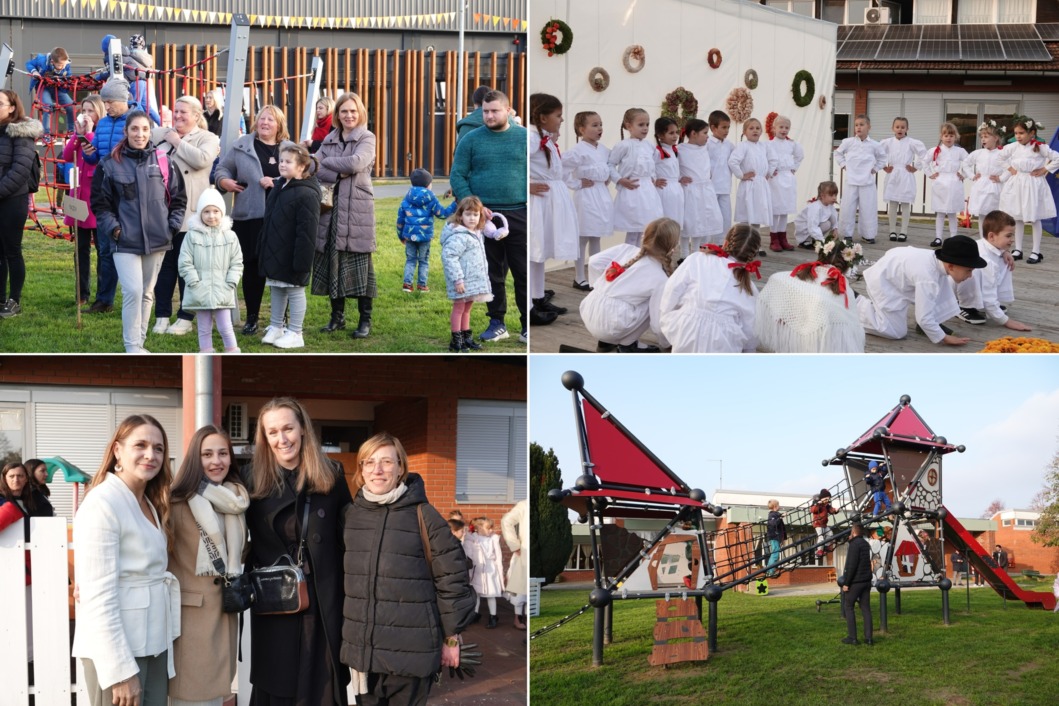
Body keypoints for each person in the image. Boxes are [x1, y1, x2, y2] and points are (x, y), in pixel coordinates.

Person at [340, 432, 476, 705]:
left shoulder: (424, 515)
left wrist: (451, 638)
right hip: (363, 656)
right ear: (361, 470)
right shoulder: (350, 516)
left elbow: (453, 579)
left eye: (387, 462)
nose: (377, 470)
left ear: (401, 467)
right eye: (369, 462)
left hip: (411, 654)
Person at [242, 397, 352, 704]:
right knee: (277, 688)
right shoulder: (251, 478)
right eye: (272, 432)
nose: (282, 439)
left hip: (322, 602)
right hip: (276, 604)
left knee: (321, 688)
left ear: (303, 428)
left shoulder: (332, 473)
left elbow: (351, 536)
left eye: (288, 428)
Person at [71, 414, 177, 706]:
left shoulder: (148, 502)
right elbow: (97, 596)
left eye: (158, 448)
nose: (150, 454)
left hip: (154, 644)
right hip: (118, 652)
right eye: (140, 445)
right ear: (117, 450)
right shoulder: (102, 503)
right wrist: (119, 672)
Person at [91, 110, 186, 353]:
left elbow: (178, 199)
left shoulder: (164, 161)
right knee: (133, 290)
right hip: (124, 240)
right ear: (126, 132)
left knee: (146, 293)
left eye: (145, 129)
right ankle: (132, 345)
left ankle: (140, 343)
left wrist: (171, 227)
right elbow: (100, 204)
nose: (140, 134)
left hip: (157, 238)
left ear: (150, 132)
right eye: (134, 129)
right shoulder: (110, 164)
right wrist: (114, 229)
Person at [168, 425, 248, 706]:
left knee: (217, 696)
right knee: (188, 698)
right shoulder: (176, 501)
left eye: (223, 453)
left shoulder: (236, 501)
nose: (217, 461)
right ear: (194, 459)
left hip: (224, 612)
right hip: (190, 619)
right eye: (207, 454)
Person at [450, 89, 530, 341]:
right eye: (485, 111)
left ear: (508, 110)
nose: (489, 115)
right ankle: (497, 323)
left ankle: (528, 326)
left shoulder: (525, 138)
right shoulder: (471, 139)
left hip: (519, 212)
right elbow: (457, 175)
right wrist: (473, 205)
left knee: (523, 272)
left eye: (494, 110)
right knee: (491, 272)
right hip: (483, 218)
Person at [215, 104, 296, 334]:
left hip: (281, 218)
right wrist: (225, 183)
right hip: (248, 218)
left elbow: (303, 174)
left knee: (279, 268)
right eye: (262, 118)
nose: (265, 123)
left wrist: (278, 180)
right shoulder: (241, 146)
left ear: (279, 124)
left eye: (271, 119)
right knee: (251, 268)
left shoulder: (289, 149)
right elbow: (222, 170)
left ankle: (281, 319)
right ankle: (252, 317)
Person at [150, 95, 221, 336]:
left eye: (184, 112)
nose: (178, 116)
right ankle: (161, 315)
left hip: (189, 214)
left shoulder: (207, 138)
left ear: (197, 115)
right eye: (176, 111)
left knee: (187, 268)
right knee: (163, 267)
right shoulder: (160, 134)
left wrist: (177, 142)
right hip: (160, 212)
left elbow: (202, 160)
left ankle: (185, 317)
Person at [313, 92, 378, 339]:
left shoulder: (367, 137)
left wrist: (329, 163)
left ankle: (365, 320)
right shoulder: (330, 138)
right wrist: (334, 169)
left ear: (359, 112)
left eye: (353, 111)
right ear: (337, 114)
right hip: (330, 209)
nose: (348, 115)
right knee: (332, 260)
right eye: (344, 111)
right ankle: (337, 317)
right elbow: (312, 166)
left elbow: (355, 164)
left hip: (357, 210)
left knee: (361, 266)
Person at [856, 234, 987, 346]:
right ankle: (856, 304)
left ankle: (930, 326)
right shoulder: (928, 278)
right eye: (969, 270)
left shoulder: (937, 263)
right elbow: (923, 317)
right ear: (951, 266)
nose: (970, 276)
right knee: (896, 331)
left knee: (942, 287)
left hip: (897, 273)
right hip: (885, 283)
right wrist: (944, 338)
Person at [755, 232, 866, 353]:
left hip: (793, 344)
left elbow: (777, 279)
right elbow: (852, 329)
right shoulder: (845, 290)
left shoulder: (794, 277)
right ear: (847, 265)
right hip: (821, 346)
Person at [580, 216, 678, 352]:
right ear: (672, 246)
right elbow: (657, 324)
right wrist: (666, 345)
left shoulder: (625, 249)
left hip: (589, 311)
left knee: (622, 301)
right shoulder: (660, 278)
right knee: (654, 304)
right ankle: (627, 345)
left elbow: (594, 262)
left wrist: (600, 287)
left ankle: (604, 343)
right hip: (613, 324)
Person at [659, 224, 762, 353]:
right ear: (752, 255)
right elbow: (750, 327)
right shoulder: (749, 288)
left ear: (725, 243)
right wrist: (749, 350)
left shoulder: (697, 259)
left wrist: (665, 324)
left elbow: (671, 291)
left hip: (687, 327)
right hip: (724, 340)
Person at [259, 143, 322, 350]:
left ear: (302, 167)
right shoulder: (281, 186)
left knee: (294, 291)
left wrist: (302, 261)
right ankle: (277, 326)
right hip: (277, 250)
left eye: (288, 162)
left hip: (293, 253)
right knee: (277, 287)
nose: (282, 165)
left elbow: (307, 231)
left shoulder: (307, 194)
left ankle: (296, 332)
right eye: (281, 161)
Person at [82, 79, 136, 316]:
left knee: (128, 248)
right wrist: (89, 155)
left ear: (123, 101)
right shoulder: (102, 124)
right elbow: (98, 159)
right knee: (105, 248)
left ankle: (135, 296)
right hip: (104, 188)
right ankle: (104, 299)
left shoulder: (137, 121)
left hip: (127, 192)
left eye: (110, 101)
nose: (107, 105)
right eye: (105, 101)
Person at [0, 461, 55, 664]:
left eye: (21, 476)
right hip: (9, 565)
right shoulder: (2, 500)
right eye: (12, 476)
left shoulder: (34, 498)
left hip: (36, 563)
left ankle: (31, 655)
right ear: (4, 478)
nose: (17, 480)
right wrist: (10, 512)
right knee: (10, 613)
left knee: (34, 612)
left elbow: (48, 522)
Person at [529, 92, 577, 320]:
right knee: (534, 250)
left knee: (541, 251)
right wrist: (526, 186)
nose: (561, 120)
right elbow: (515, 165)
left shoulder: (544, 138)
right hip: (540, 203)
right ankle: (530, 305)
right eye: (558, 115)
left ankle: (538, 297)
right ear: (542, 117)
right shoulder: (530, 138)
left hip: (551, 201)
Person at [178, 188, 244, 353]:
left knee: (225, 326)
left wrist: (231, 281)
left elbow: (237, 262)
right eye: (206, 211)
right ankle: (206, 353)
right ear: (200, 213)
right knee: (204, 328)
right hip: (200, 289)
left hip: (223, 289)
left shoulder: (230, 236)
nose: (211, 215)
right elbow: (185, 261)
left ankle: (232, 351)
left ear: (222, 213)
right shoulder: (192, 236)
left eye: (216, 211)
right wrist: (193, 281)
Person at [0, 90, 43, 319]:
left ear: (12, 108)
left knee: (12, 251)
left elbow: (20, 171)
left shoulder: (21, 134)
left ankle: (14, 299)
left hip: (12, 201)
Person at [997, 115, 1059, 264]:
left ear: (1031, 133)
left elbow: (1057, 157)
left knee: (1034, 217)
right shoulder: (1013, 147)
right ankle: (1018, 249)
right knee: (1017, 217)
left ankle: (1036, 251)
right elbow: (999, 157)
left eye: (1021, 133)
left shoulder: (1039, 147)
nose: (1018, 136)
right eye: (1016, 133)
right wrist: (1010, 168)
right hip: (1017, 183)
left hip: (1033, 185)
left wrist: (1045, 169)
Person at [954, 209, 1031, 331]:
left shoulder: (989, 245)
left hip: (974, 283)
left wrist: (1004, 252)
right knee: (974, 271)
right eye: (1008, 236)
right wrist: (1006, 321)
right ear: (991, 236)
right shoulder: (983, 258)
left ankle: (983, 304)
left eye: (1012, 235)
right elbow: (988, 294)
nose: (1012, 239)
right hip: (953, 290)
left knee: (1005, 262)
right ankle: (965, 306)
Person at [63, 95, 106, 306]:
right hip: (78, 196)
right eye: (84, 110)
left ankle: (102, 294)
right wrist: (76, 136)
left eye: (91, 111)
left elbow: (96, 156)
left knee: (101, 248)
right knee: (80, 249)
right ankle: (82, 293)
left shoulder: (101, 134)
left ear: (99, 112)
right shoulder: (78, 134)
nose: (86, 115)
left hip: (95, 198)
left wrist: (88, 133)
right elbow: (66, 154)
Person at [563, 111, 613, 290]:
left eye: (600, 124)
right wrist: (576, 183)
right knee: (582, 236)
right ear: (581, 129)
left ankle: (595, 275)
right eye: (594, 125)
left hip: (601, 195)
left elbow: (610, 167)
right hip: (586, 196)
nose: (599, 128)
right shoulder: (577, 151)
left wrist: (606, 178)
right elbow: (562, 170)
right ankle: (579, 276)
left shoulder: (605, 150)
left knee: (596, 235)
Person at [441, 195, 492, 352]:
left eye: (475, 215)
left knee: (467, 309)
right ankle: (456, 340)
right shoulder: (459, 236)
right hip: (461, 281)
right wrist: (458, 280)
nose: (472, 218)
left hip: (472, 281)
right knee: (459, 308)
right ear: (460, 215)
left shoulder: (476, 233)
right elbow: (449, 257)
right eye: (468, 214)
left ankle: (466, 337)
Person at [608, 107, 664, 249]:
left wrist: (653, 178)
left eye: (647, 124)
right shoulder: (623, 145)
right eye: (641, 125)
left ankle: (642, 257)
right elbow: (610, 164)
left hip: (648, 192)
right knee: (634, 229)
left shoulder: (650, 146)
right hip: (632, 190)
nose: (645, 128)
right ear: (628, 126)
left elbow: (654, 164)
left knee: (647, 229)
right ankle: (628, 259)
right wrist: (620, 179)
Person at [396, 167, 456, 294]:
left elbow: (400, 220)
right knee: (423, 261)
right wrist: (455, 204)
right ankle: (422, 285)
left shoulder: (407, 198)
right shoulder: (431, 199)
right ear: (429, 184)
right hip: (425, 237)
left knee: (410, 260)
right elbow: (443, 214)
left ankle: (407, 285)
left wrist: (401, 236)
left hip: (409, 236)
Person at [834, 114, 885, 245]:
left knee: (868, 208)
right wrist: (844, 165)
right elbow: (838, 153)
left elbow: (883, 159)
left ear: (869, 127)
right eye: (856, 125)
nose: (858, 127)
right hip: (851, 181)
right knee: (847, 207)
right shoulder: (848, 142)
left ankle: (868, 235)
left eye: (862, 124)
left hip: (867, 182)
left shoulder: (875, 145)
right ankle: (846, 234)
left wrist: (875, 169)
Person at [728, 117, 774, 253]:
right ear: (745, 132)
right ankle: (740, 244)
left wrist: (768, 173)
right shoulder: (743, 146)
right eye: (751, 128)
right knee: (746, 215)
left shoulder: (764, 146)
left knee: (757, 216)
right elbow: (733, 161)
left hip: (761, 185)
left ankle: (756, 245)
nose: (755, 130)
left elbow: (773, 159)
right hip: (749, 185)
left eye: (758, 128)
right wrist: (742, 175)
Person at [677, 118, 722, 256]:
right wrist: (679, 178)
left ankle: (696, 252)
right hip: (690, 190)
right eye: (704, 132)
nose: (708, 136)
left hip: (705, 190)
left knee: (701, 222)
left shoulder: (706, 148)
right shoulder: (680, 149)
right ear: (693, 133)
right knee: (688, 222)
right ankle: (684, 255)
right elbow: (673, 167)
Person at [879, 116, 926, 242]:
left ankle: (904, 231)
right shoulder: (888, 142)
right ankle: (892, 231)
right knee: (893, 203)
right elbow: (877, 153)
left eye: (903, 127)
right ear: (893, 128)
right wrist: (883, 166)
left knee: (905, 203)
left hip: (905, 174)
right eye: (897, 127)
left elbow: (924, 155)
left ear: (907, 128)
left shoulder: (911, 142)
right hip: (893, 173)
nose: (900, 129)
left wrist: (915, 167)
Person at [926, 122, 969, 248]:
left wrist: (964, 174)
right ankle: (938, 237)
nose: (948, 138)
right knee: (940, 211)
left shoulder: (960, 151)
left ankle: (953, 237)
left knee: (952, 212)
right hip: (940, 181)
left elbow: (969, 162)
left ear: (955, 137)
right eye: (946, 135)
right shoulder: (935, 151)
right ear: (941, 136)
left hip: (954, 182)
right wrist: (930, 174)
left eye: (951, 135)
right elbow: (923, 161)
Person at [960, 120, 1006, 239]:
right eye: (982, 137)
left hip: (995, 186)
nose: (983, 139)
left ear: (996, 138)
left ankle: (995, 238)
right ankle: (983, 238)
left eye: (986, 136)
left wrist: (1001, 178)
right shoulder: (978, 153)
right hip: (981, 186)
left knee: (995, 214)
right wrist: (972, 175)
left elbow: (1011, 169)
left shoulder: (1002, 153)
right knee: (982, 214)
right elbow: (965, 163)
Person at [765, 114, 803, 251]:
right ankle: (774, 238)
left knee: (784, 210)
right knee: (776, 209)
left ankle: (783, 237)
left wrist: (794, 168)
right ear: (774, 128)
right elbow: (764, 158)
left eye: (786, 128)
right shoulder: (768, 144)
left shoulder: (791, 144)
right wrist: (769, 171)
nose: (784, 130)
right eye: (781, 127)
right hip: (776, 179)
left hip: (788, 178)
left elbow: (800, 155)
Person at [463, 516, 505, 629]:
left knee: (490, 595)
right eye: (488, 528)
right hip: (478, 571)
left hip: (490, 571)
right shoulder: (472, 539)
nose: (491, 530)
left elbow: (498, 557)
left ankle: (493, 616)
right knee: (476, 593)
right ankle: (475, 614)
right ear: (478, 528)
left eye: (492, 528)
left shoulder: (493, 539)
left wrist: (500, 573)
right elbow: (469, 555)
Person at [25, 46, 74, 138]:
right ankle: (46, 133)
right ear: (52, 61)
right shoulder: (42, 60)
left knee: (70, 105)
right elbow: (29, 64)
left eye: (64, 64)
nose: (63, 66)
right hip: (44, 88)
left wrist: (62, 81)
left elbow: (69, 77)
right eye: (60, 65)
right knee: (47, 106)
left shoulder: (66, 65)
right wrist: (34, 72)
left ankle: (71, 130)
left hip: (57, 88)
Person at [653, 117, 684, 244]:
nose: (675, 136)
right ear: (660, 135)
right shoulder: (656, 151)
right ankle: (661, 250)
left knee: (676, 222)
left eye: (676, 132)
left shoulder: (674, 150)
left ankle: (671, 251)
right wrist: (654, 180)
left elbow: (675, 169)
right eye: (671, 133)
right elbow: (650, 167)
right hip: (664, 190)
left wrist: (681, 178)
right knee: (665, 222)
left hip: (676, 189)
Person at [840, 523, 874, 645]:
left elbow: (851, 565)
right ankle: (869, 638)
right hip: (866, 581)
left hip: (856, 582)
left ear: (853, 532)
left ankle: (852, 637)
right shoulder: (865, 543)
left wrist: (846, 583)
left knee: (848, 606)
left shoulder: (854, 545)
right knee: (866, 609)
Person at [501, 498, 528, 630]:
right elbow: (506, 521)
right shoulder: (524, 505)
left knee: (531, 589)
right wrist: (514, 545)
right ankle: (518, 618)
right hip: (524, 552)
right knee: (520, 588)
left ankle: (528, 618)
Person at [707, 110, 735, 236]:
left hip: (725, 187)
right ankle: (707, 245)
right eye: (723, 127)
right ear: (713, 127)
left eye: (728, 127)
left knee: (725, 218)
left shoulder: (730, 145)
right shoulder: (706, 143)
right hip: (710, 187)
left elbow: (739, 160)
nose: (727, 130)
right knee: (711, 217)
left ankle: (722, 245)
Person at [794, 181, 839, 249]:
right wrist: (822, 242)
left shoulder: (830, 205)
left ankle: (815, 240)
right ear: (822, 196)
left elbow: (834, 217)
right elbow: (812, 226)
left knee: (828, 223)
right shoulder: (816, 207)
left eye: (835, 195)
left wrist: (835, 228)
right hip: (805, 230)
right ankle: (805, 241)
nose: (834, 198)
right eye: (831, 195)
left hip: (813, 227)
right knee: (821, 226)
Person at [810, 488, 839, 558]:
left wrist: (835, 510)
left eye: (828, 499)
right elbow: (813, 510)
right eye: (826, 499)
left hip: (824, 524)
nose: (827, 501)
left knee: (830, 534)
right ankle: (819, 550)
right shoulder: (817, 504)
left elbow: (831, 510)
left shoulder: (826, 505)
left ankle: (826, 546)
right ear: (821, 498)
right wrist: (818, 504)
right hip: (818, 524)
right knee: (821, 538)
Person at [764, 499, 786, 578]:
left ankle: (769, 570)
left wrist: (783, 538)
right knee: (775, 554)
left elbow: (782, 528)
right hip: (774, 536)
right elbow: (774, 524)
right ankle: (770, 571)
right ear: (775, 506)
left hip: (777, 537)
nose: (779, 506)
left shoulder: (776, 514)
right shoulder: (772, 515)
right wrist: (781, 517)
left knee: (775, 553)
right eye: (778, 505)